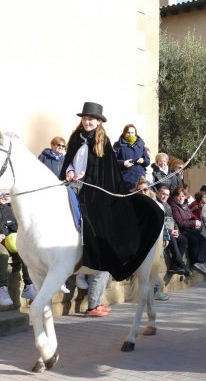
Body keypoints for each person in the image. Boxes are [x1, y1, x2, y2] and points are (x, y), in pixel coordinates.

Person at [59, 102, 163, 281]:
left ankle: (89, 262)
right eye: (85, 118)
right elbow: (69, 159)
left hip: (92, 189)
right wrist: (69, 170)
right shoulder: (76, 137)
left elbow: (103, 170)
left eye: (90, 119)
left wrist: (85, 176)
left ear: (99, 121)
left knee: (92, 220)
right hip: (71, 185)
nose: (87, 122)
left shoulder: (103, 142)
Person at [0, 194, 37, 305]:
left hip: (8, 239)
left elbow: (15, 227)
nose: (4, 197)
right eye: (2, 194)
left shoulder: (9, 209)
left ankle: (28, 286)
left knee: (25, 251)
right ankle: (2, 289)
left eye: (7, 195)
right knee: (2, 253)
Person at [153, 183, 192, 277]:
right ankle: (181, 264)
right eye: (163, 194)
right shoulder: (155, 204)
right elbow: (158, 222)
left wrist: (176, 230)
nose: (164, 196)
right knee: (172, 238)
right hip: (159, 231)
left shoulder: (167, 206)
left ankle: (174, 265)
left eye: (167, 195)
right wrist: (170, 232)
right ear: (157, 193)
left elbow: (172, 221)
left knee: (183, 239)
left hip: (169, 231)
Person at [169, 187, 206, 276]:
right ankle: (194, 261)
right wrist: (193, 223)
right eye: (178, 196)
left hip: (190, 229)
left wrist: (199, 222)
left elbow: (192, 217)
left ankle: (200, 262)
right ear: (174, 197)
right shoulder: (174, 207)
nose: (181, 198)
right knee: (193, 240)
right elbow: (180, 222)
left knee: (202, 239)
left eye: (183, 196)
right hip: (182, 230)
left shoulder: (185, 206)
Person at [113, 124, 150, 191]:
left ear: (135, 133)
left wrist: (143, 160)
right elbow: (112, 161)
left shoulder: (141, 144)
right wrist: (123, 163)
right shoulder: (118, 145)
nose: (130, 135)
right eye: (128, 132)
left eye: (132, 132)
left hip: (140, 180)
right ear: (124, 133)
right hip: (125, 179)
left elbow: (147, 162)